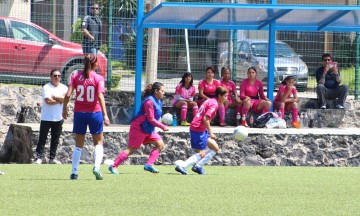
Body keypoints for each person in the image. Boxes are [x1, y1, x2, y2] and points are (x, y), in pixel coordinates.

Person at [62, 53, 110, 180]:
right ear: (95, 63)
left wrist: (64, 109)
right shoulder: (98, 78)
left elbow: (67, 95)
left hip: (79, 114)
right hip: (95, 113)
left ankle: (74, 172)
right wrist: (105, 115)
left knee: (78, 145)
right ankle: (96, 167)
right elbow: (100, 96)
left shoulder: (75, 76)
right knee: (98, 142)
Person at [109, 82, 169, 175]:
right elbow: (151, 119)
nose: (164, 93)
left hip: (148, 129)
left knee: (160, 144)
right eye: (162, 91)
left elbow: (154, 118)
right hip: (139, 127)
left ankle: (149, 165)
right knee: (131, 149)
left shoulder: (159, 101)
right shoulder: (149, 102)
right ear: (156, 91)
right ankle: (113, 166)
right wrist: (162, 126)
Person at [175, 86, 228, 175]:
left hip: (200, 129)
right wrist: (211, 133)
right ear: (219, 96)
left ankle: (198, 166)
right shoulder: (214, 104)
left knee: (215, 148)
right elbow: (205, 119)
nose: (226, 98)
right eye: (225, 96)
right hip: (198, 128)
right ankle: (183, 166)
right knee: (202, 153)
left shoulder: (210, 100)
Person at [35, 69, 68, 164]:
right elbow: (48, 101)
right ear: (51, 77)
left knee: (55, 140)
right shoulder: (46, 87)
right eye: (54, 76)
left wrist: (54, 97)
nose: (57, 77)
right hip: (47, 117)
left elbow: (66, 99)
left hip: (59, 118)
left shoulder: (64, 87)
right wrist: (60, 99)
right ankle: (39, 157)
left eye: (58, 76)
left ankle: (52, 158)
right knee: (42, 138)